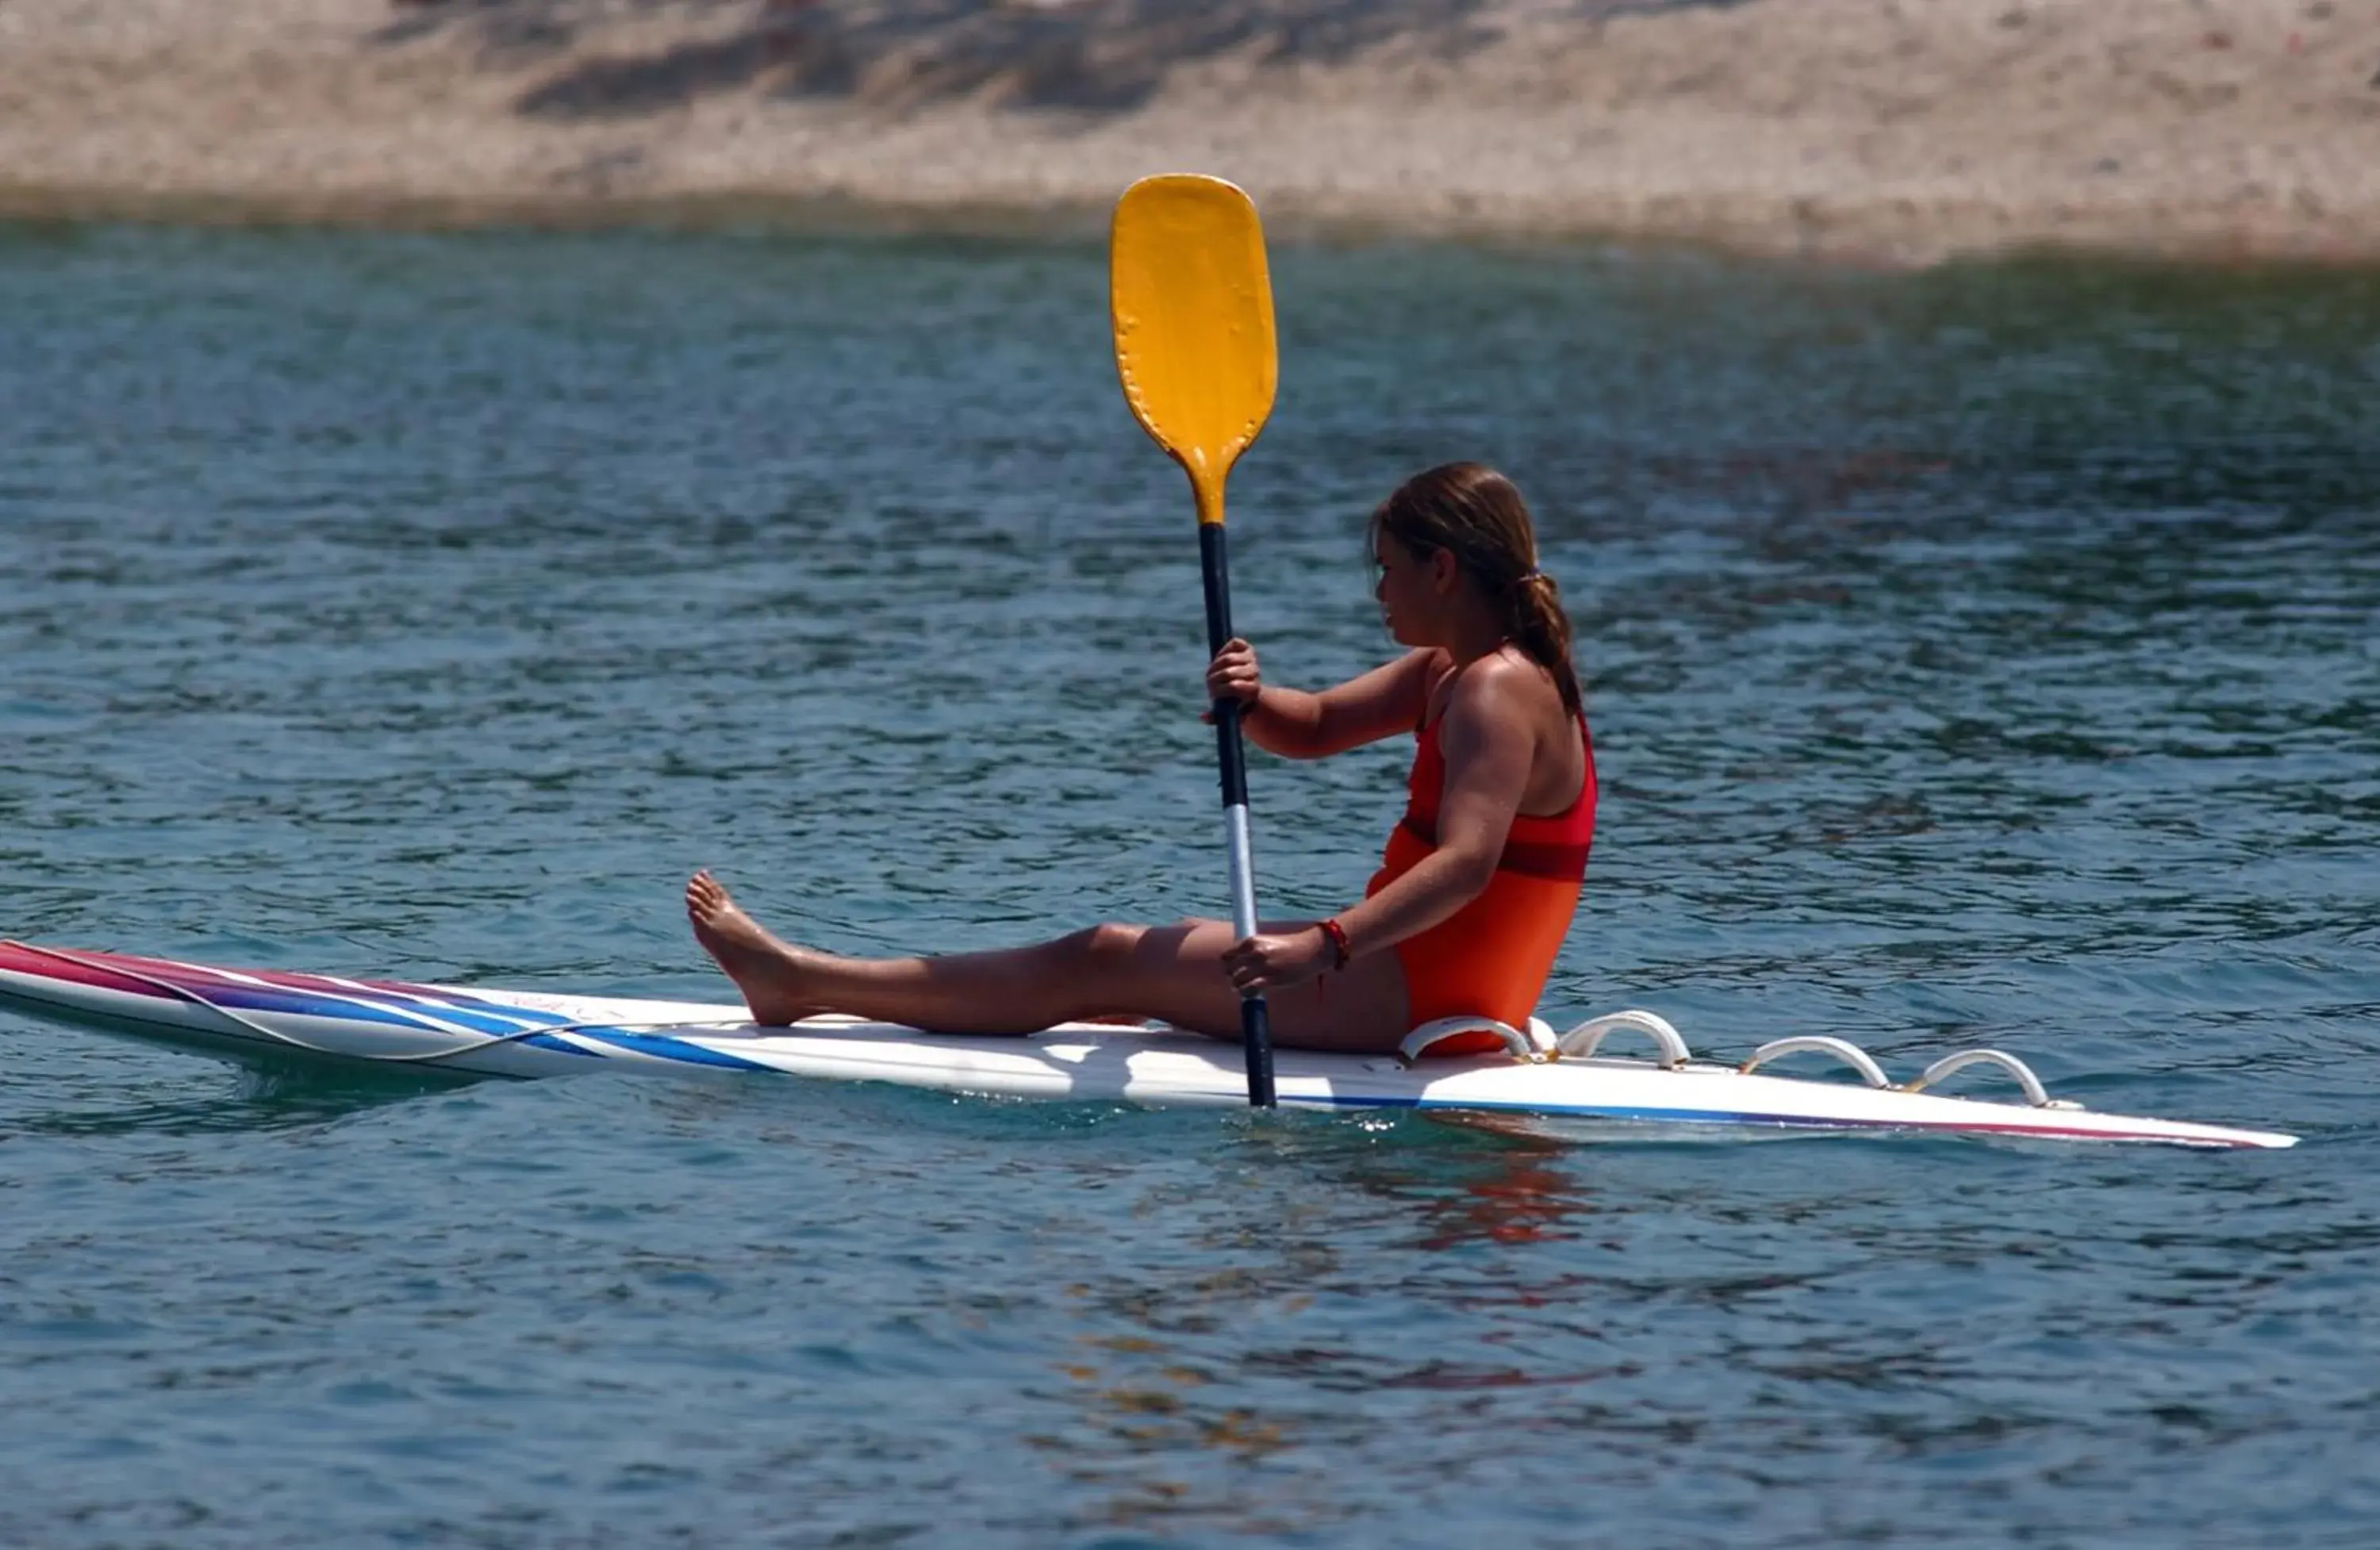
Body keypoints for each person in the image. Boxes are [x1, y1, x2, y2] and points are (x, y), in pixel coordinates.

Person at [685, 462, 1595, 1056]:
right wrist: (1252, 698)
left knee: (1107, 953)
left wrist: (1320, 947)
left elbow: (1468, 864)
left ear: (1442, 570)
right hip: (1434, 974)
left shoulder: (1492, 689)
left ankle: (801, 982)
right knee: (1162, 947)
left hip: (1421, 994)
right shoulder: (1459, 669)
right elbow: (1313, 725)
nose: (1379, 591)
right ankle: (1043, 1000)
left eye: (1388, 568)